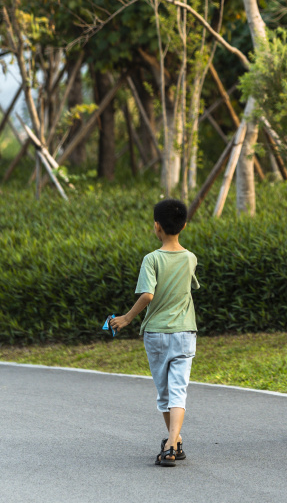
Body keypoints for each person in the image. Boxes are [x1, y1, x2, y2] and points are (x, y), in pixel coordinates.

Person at [110, 198, 199, 467]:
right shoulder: (190, 258)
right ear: (184, 225)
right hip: (185, 332)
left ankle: (171, 443)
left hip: (157, 334)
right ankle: (175, 441)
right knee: (179, 390)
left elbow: (148, 295)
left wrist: (126, 318)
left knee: (164, 394)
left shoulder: (151, 259)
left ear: (156, 226)